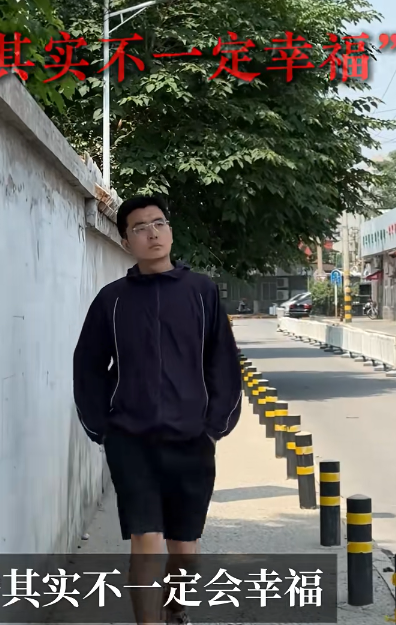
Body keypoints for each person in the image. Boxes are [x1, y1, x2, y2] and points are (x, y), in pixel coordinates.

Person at [73, 195, 242, 624]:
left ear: (170, 230)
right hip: (131, 441)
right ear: (125, 241)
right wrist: (103, 427)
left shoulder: (201, 292)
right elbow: (88, 365)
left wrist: (214, 426)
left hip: (192, 439)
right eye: (140, 227)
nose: (152, 233)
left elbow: (223, 362)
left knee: (184, 549)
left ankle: (174, 609)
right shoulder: (112, 300)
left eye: (159, 223)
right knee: (145, 541)